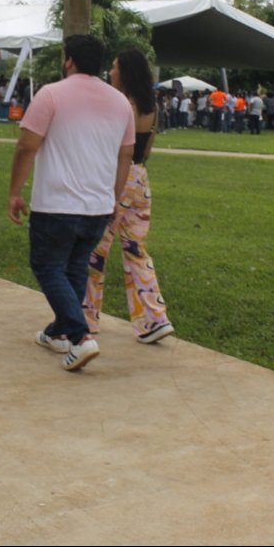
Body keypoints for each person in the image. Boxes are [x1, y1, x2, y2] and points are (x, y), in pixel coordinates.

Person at [9, 34, 134, 372]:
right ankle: (58, 333)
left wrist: (15, 193)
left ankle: (80, 338)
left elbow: (26, 146)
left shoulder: (51, 94)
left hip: (56, 203)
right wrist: (115, 197)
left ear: (69, 61)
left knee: (48, 267)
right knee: (75, 268)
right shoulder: (121, 102)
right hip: (97, 206)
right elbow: (126, 156)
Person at [84, 50, 174, 345]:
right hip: (141, 178)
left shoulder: (123, 103)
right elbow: (145, 150)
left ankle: (86, 318)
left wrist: (109, 189)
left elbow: (114, 146)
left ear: (125, 71)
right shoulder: (151, 105)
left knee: (96, 249)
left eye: (113, 67)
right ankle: (154, 318)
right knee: (136, 250)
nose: (110, 71)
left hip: (119, 177)